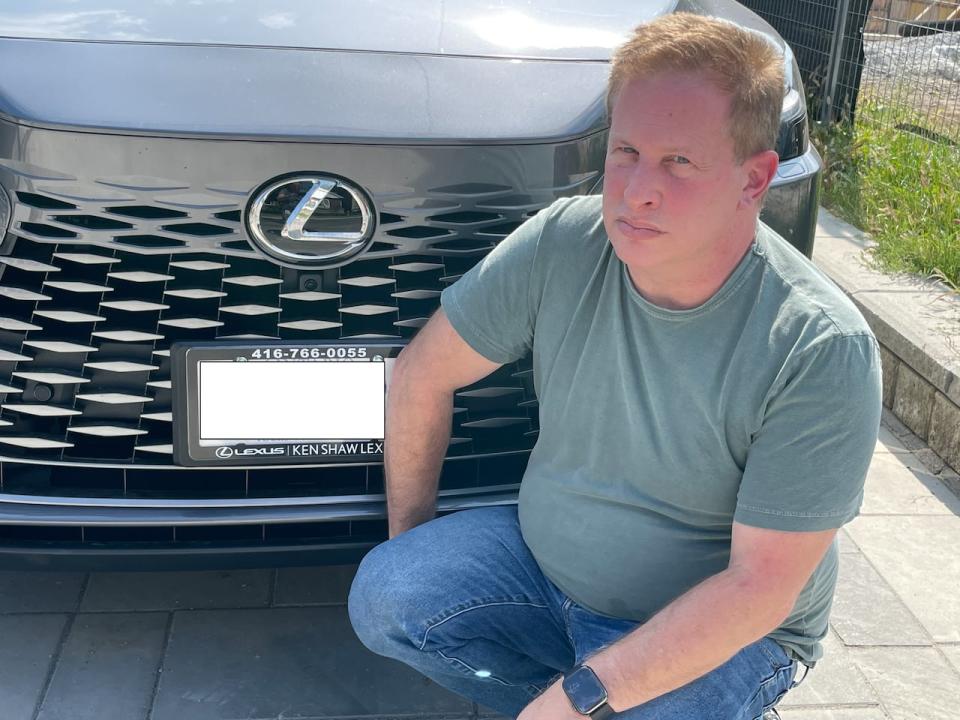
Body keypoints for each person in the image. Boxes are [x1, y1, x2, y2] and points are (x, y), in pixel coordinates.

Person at [348, 12, 882, 720]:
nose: (635, 190)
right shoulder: (567, 242)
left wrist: (581, 699)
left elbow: (759, 588)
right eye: (626, 150)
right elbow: (421, 373)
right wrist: (408, 541)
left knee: (613, 702)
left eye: (679, 161)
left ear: (754, 180)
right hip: (544, 573)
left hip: (731, 630)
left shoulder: (817, 346)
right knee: (389, 594)